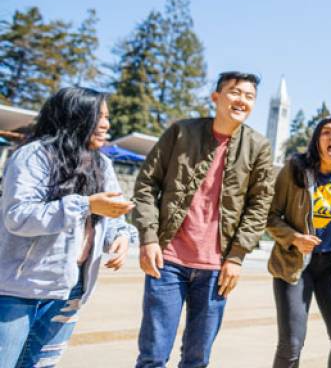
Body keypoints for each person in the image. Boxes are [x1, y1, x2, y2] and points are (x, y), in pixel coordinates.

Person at [132, 71, 275, 368]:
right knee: (153, 356)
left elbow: (259, 205)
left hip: (216, 270)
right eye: (235, 92)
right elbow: (147, 184)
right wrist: (148, 238)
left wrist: (236, 257)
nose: (242, 100)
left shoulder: (258, 146)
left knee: (197, 359)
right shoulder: (181, 132)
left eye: (250, 97)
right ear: (216, 97)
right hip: (167, 262)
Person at [0, 87, 133, 368]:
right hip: (18, 290)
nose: (107, 124)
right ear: (75, 117)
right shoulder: (33, 156)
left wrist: (120, 235)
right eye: (99, 116)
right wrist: (84, 206)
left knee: (40, 365)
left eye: (107, 117)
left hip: (69, 289)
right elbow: (18, 216)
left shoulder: (103, 163)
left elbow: (111, 212)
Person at [266, 116, 331, 368]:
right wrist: (294, 238)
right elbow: (271, 215)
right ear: (317, 140)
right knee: (292, 345)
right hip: (294, 267)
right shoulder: (295, 169)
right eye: (326, 132)